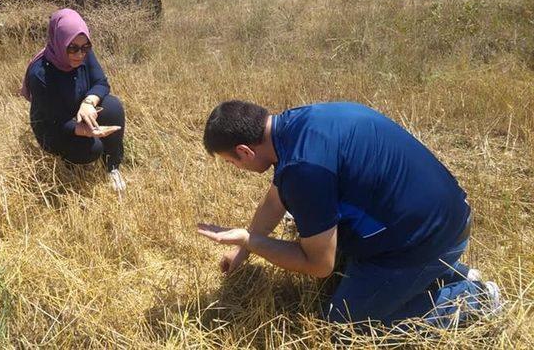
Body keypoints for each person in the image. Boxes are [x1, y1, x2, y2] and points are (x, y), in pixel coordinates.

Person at [197, 100, 502, 328]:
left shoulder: (303, 170)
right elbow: (275, 201)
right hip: (447, 216)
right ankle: (446, 273)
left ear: (245, 151)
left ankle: (472, 298)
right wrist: (242, 252)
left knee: (345, 327)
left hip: (426, 242)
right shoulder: (298, 124)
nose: (235, 169)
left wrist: (250, 241)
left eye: (230, 162)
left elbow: (318, 265)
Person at [21, 8, 126, 191]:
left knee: (113, 107)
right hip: (54, 126)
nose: (79, 54)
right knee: (91, 149)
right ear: (60, 42)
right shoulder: (40, 74)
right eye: (72, 48)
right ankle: (69, 166)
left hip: (78, 110)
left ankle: (112, 167)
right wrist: (85, 131)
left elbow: (101, 83)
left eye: (85, 47)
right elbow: (55, 121)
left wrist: (88, 103)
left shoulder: (84, 53)